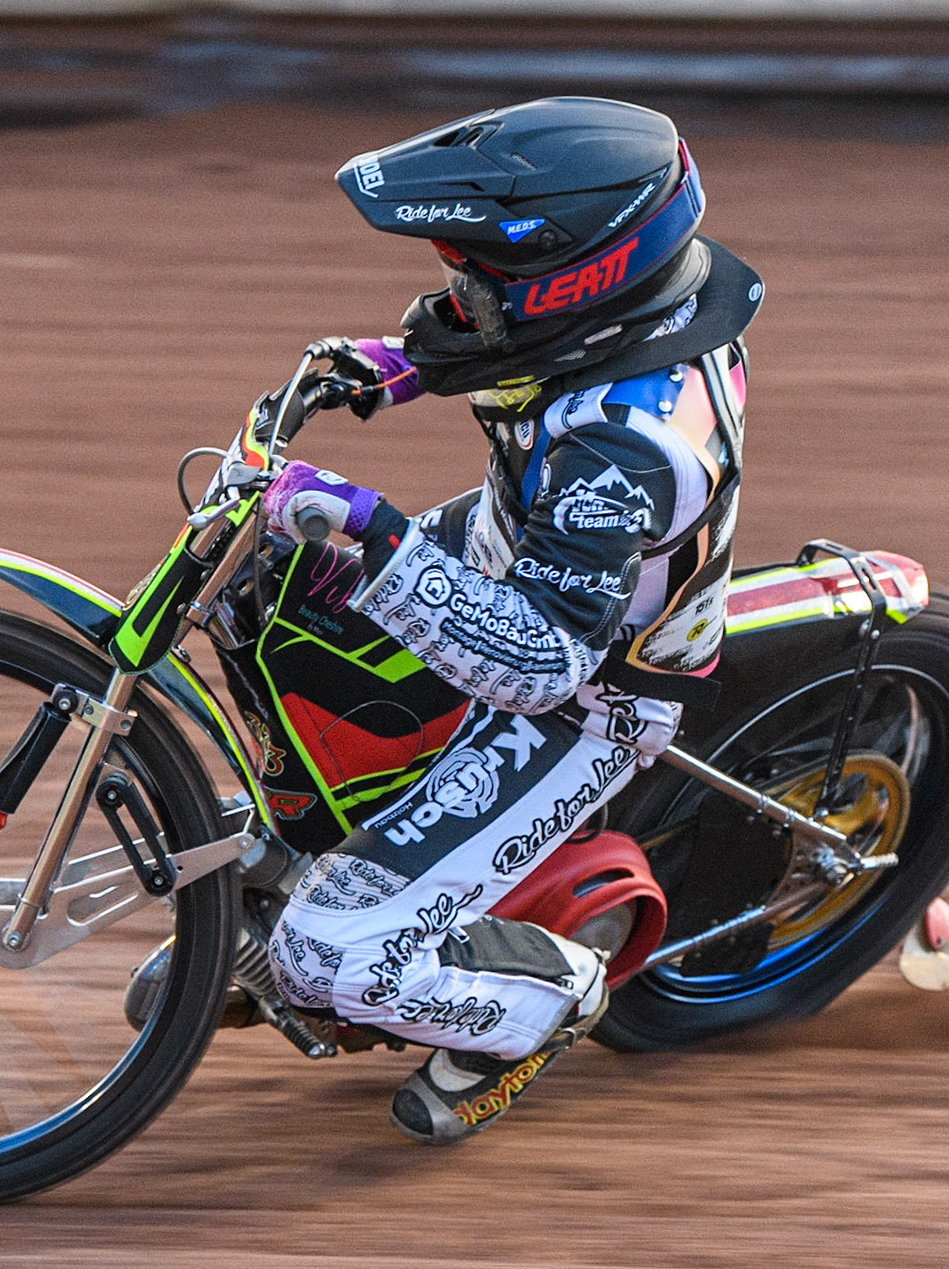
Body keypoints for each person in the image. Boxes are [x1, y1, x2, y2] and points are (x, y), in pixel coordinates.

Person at [257, 97, 763, 1145]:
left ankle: (548, 999)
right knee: (266, 591)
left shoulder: (632, 449)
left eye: (481, 279)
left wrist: (377, 532)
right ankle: (277, 868)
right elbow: (509, 350)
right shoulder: (634, 310)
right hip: (511, 559)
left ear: (574, 280)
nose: (461, 292)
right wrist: (390, 365)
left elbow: (538, 660)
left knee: (327, 956)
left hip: (588, 691)